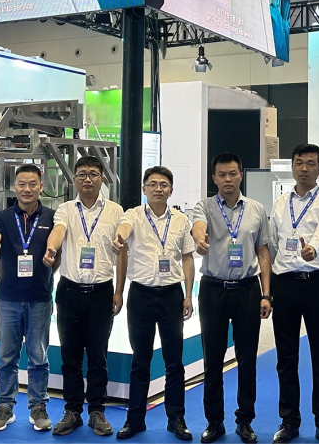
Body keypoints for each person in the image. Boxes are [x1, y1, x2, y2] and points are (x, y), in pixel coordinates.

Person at [190, 153, 273, 444]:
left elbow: (263, 251)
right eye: (222, 174)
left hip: (248, 289)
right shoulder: (205, 206)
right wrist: (200, 239)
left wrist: (266, 293)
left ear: (241, 175)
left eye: (233, 173)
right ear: (214, 178)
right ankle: (214, 421)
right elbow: (198, 226)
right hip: (213, 289)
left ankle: (244, 420)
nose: (228, 179)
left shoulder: (256, 209)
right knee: (212, 359)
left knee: (247, 358)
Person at [42, 156, 126, 437]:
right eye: (81, 174)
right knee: (70, 356)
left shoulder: (115, 211)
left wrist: (119, 290)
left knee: (98, 356)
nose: (87, 179)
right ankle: (72, 411)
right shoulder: (65, 209)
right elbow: (58, 231)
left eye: (92, 174)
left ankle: (97, 411)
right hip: (69, 292)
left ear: (102, 178)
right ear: (74, 179)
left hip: (101, 293)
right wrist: (52, 248)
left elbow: (122, 252)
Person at [112, 166, 195, 441]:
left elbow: (187, 258)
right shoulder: (133, 215)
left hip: (172, 295)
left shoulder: (181, 220)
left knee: (174, 361)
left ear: (171, 190)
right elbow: (123, 230)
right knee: (140, 360)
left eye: (163, 184)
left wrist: (188, 294)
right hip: (141, 295)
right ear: (144, 189)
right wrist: (121, 236)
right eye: (153, 184)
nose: (158, 188)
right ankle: (135, 419)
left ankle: (176, 418)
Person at [268, 144, 319, 444]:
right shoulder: (279, 203)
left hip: (317, 285)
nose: (304, 168)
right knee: (286, 358)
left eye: (310, 163)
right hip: (285, 285)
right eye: (299, 162)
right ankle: (289, 421)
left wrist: (314, 248)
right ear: (292, 166)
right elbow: (273, 244)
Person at [0, 164, 57, 432]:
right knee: (7, 357)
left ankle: (38, 406)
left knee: (38, 357)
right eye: (22, 184)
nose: (27, 189)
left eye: (32, 184)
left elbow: (58, 248)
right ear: (14, 187)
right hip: (8, 298)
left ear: (41, 186)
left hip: (40, 297)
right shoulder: (2, 217)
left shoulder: (52, 217)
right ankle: (5, 406)